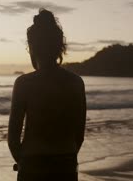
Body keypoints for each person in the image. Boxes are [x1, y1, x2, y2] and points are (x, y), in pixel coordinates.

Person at [8, 9, 86, 181]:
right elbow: (79, 136)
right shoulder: (75, 82)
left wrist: (23, 162)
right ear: (59, 47)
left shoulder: (24, 83)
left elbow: (13, 138)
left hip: (32, 165)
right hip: (66, 164)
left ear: (32, 48)